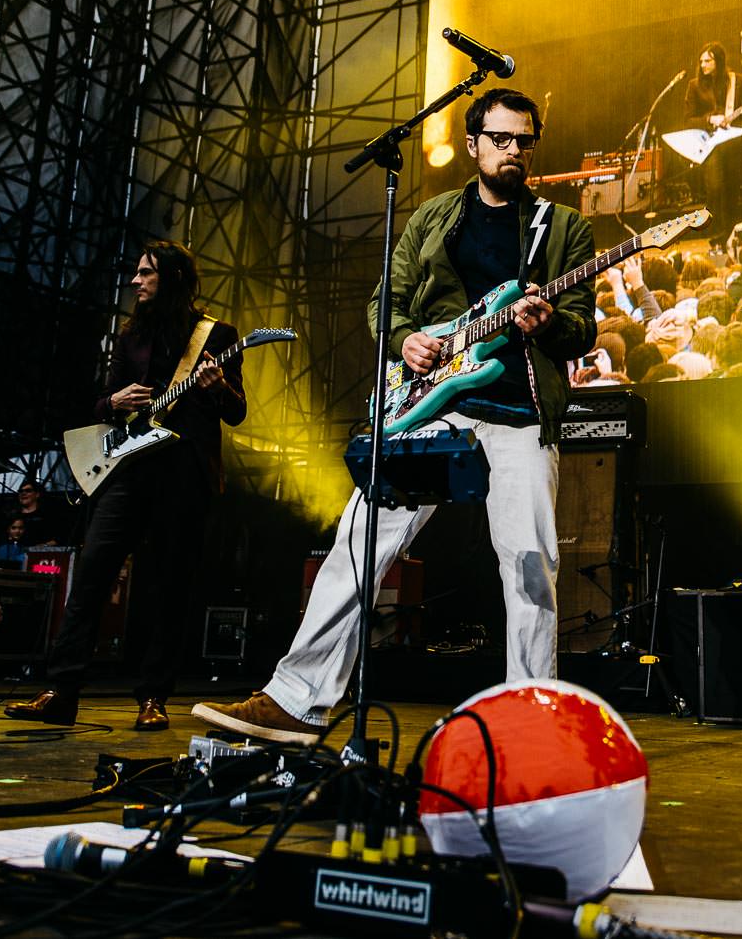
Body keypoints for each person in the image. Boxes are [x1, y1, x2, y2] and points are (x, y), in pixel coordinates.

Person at [193, 87, 596, 746]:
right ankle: (295, 700)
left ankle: (530, 725)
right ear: (473, 145)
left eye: (525, 140)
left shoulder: (564, 227)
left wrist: (550, 322)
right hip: (432, 410)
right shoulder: (435, 218)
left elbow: (582, 328)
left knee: (529, 566)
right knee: (359, 542)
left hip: (519, 416)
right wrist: (406, 337)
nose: (514, 150)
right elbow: (388, 302)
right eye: (501, 139)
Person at [6, 241, 246, 732]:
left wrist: (216, 386)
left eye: (145, 274)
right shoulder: (130, 335)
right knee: (91, 575)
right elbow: (100, 405)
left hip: (183, 473)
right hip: (128, 470)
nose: (135, 282)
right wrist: (113, 400)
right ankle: (60, 690)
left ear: (172, 277)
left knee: (168, 587)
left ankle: (153, 697)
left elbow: (237, 411)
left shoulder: (216, 333)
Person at [678, 40, 742, 232]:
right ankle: (717, 231)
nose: (703, 65)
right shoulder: (694, 86)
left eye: (708, 61)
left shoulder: (736, 80)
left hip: (733, 143)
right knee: (715, 187)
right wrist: (711, 118)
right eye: (701, 61)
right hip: (710, 145)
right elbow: (688, 120)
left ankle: (731, 232)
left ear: (718, 62)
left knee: (733, 189)